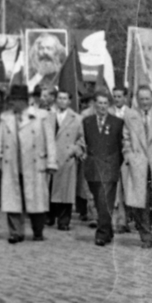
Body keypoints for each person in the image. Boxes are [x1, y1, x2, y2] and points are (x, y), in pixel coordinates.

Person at [0, 84, 56, 244]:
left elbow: (50, 141)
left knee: (35, 200)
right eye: (10, 100)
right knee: (13, 199)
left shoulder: (40, 116)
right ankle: (16, 232)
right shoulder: (6, 118)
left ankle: (38, 230)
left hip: (34, 165)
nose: (11, 104)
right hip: (12, 164)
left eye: (14, 100)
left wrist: (51, 162)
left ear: (23, 101)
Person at [80, 89, 126, 248]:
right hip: (92, 168)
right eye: (99, 103)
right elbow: (82, 142)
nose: (102, 106)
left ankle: (101, 234)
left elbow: (121, 146)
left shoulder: (117, 123)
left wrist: (115, 163)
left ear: (109, 105)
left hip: (109, 166)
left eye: (105, 103)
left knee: (104, 200)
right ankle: (108, 231)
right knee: (100, 202)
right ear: (94, 104)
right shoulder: (87, 122)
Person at [121, 86, 152, 248]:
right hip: (139, 164)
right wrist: (128, 155)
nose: (145, 102)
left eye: (147, 98)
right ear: (137, 100)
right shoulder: (131, 116)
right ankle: (146, 237)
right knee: (141, 203)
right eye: (141, 99)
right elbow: (126, 139)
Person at [49, 88, 85, 231]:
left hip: (67, 158)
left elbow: (82, 139)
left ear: (69, 101)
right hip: (51, 158)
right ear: (56, 100)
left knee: (65, 191)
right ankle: (49, 216)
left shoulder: (77, 118)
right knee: (49, 188)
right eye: (59, 98)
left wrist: (74, 149)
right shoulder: (48, 116)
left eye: (65, 99)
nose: (62, 101)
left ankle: (64, 221)